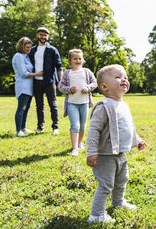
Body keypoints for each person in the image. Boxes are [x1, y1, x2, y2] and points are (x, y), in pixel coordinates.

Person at [86, 64, 147, 223]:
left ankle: (118, 203)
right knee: (106, 184)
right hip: (105, 154)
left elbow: (129, 127)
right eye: (118, 77)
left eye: (125, 77)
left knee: (122, 180)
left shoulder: (123, 105)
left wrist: (137, 140)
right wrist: (91, 152)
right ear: (104, 87)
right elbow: (93, 130)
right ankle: (96, 215)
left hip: (120, 153)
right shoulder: (104, 106)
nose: (124, 80)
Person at [59, 49, 97, 156]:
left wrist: (87, 88)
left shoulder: (87, 72)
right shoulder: (67, 73)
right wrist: (69, 89)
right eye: (75, 59)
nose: (78, 61)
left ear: (83, 60)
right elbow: (61, 87)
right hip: (72, 103)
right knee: (75, 125)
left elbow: (95, 83)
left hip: (84, 103)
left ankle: (80, 143)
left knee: (82, 126)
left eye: (80, 58)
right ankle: (74, 148)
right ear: (70, 60)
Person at [29, 27, 63, 135]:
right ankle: (40, 127)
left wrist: (60, 81)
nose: (43, 37)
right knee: (39, 105)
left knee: (52, 104)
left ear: (48, 36)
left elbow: (59, 66)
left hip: (49, 81)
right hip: (36, 81)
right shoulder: (32, 50)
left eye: (45, 35)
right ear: (37, 35)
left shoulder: (52, 50)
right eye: (41, 34)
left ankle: (55, 127)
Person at [12, 37, 43, 137]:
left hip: (29, 87)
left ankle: (23, 128)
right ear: (21, 46)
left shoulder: (26, 56)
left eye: (30, 47)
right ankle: (18, 130)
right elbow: (24, 73)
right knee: (21, 108)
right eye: (27, 47)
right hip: (23, 86)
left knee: (27, 108)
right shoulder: (18, 56)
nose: (29, 49)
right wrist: (38, 74)